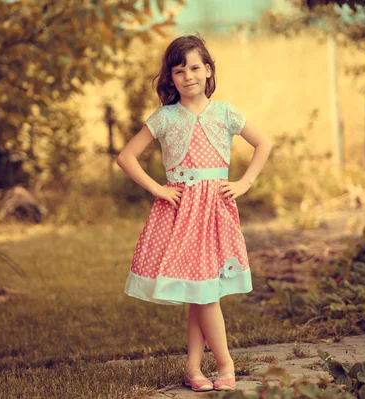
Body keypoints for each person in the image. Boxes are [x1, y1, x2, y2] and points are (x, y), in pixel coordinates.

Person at [116, 34, 273, 392]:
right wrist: (158, 188)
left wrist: (245, 183)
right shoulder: (165, 117)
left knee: (202, 292)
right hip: (182, 214)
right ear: (170, 79)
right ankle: (224, 363)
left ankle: (193, 366)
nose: (188, 75)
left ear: (208, 70)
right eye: (178, 70)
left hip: (215, 212)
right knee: (202, 293)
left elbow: (263, 143)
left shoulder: (225, 112)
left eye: (194, 67)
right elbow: (126, 157)